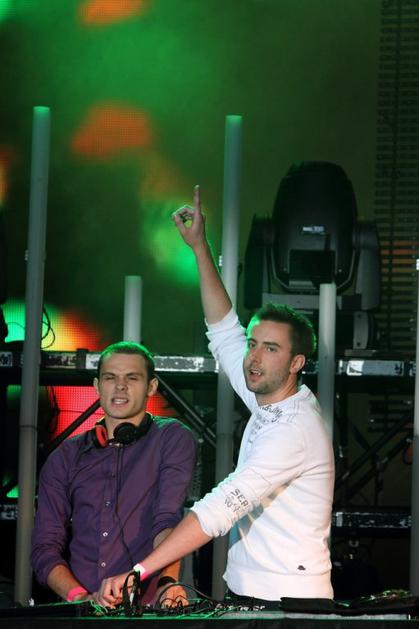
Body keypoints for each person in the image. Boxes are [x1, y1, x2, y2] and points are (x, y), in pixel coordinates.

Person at [95, 186, 335, 607]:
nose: (253, 356)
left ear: (297, 363)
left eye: (270, 349)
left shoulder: (293, 429)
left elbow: (219, 508)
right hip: (258, 596)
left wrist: (139, 571)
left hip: (289, 602)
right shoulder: (271, 394)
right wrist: (199, 247)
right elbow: (224, 331)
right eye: (254, 343)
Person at [31, 341, 197, 606]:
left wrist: (168, 582)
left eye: (132, 378)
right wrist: (81, 598)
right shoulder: (64, 457)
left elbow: (168, 519)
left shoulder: (171, 438)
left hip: (150, 609)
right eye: (111, 378)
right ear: (97, 386)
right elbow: (44, 548)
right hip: (84, 610)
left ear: (151, 387)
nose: (120, 386)